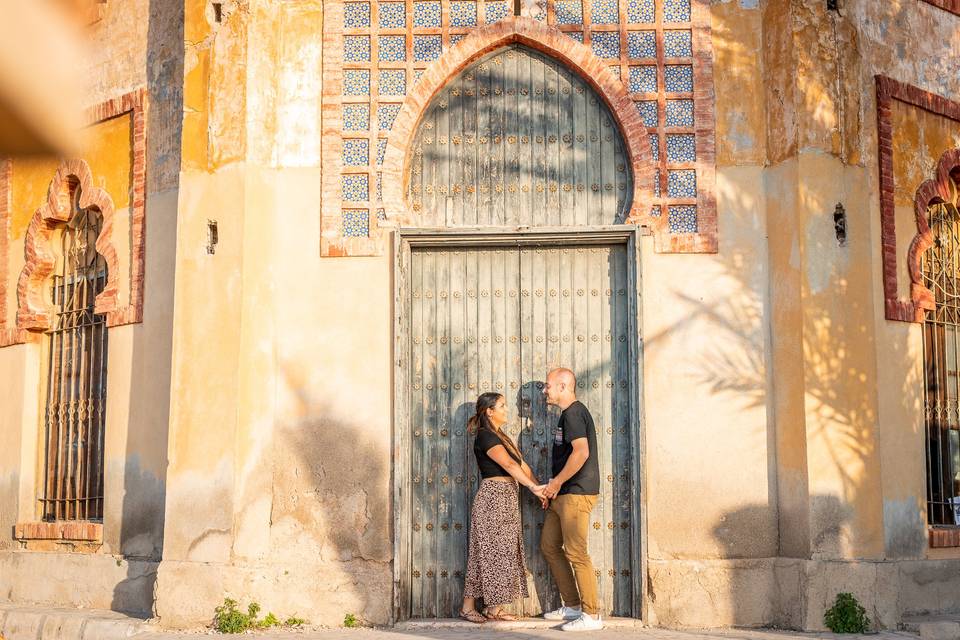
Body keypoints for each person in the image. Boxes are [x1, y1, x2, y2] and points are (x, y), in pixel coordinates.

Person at [460, 392, 546, 623]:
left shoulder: (502, 437)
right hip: (492, 499)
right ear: (489, 411)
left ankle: (493, 608)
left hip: (506, 499)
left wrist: (539, 490)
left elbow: (522, 465)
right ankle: (467, 607)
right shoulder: (485, 437)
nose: (506, 410)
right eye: (502, 406)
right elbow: (507, 465)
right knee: (485, 553)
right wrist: (532, 487)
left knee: (504, 553)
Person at [539, 368, 603, 631]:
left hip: (576, 491)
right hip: (564, 493)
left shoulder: (575, 413)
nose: (545, 391)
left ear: (563, 386)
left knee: (577, 552)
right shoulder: (567, 416)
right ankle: (574, 605)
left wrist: (556, 482)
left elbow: (581, 452)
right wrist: (554, 490)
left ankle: (592, 615)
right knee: (549, 546)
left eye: (548, 386)